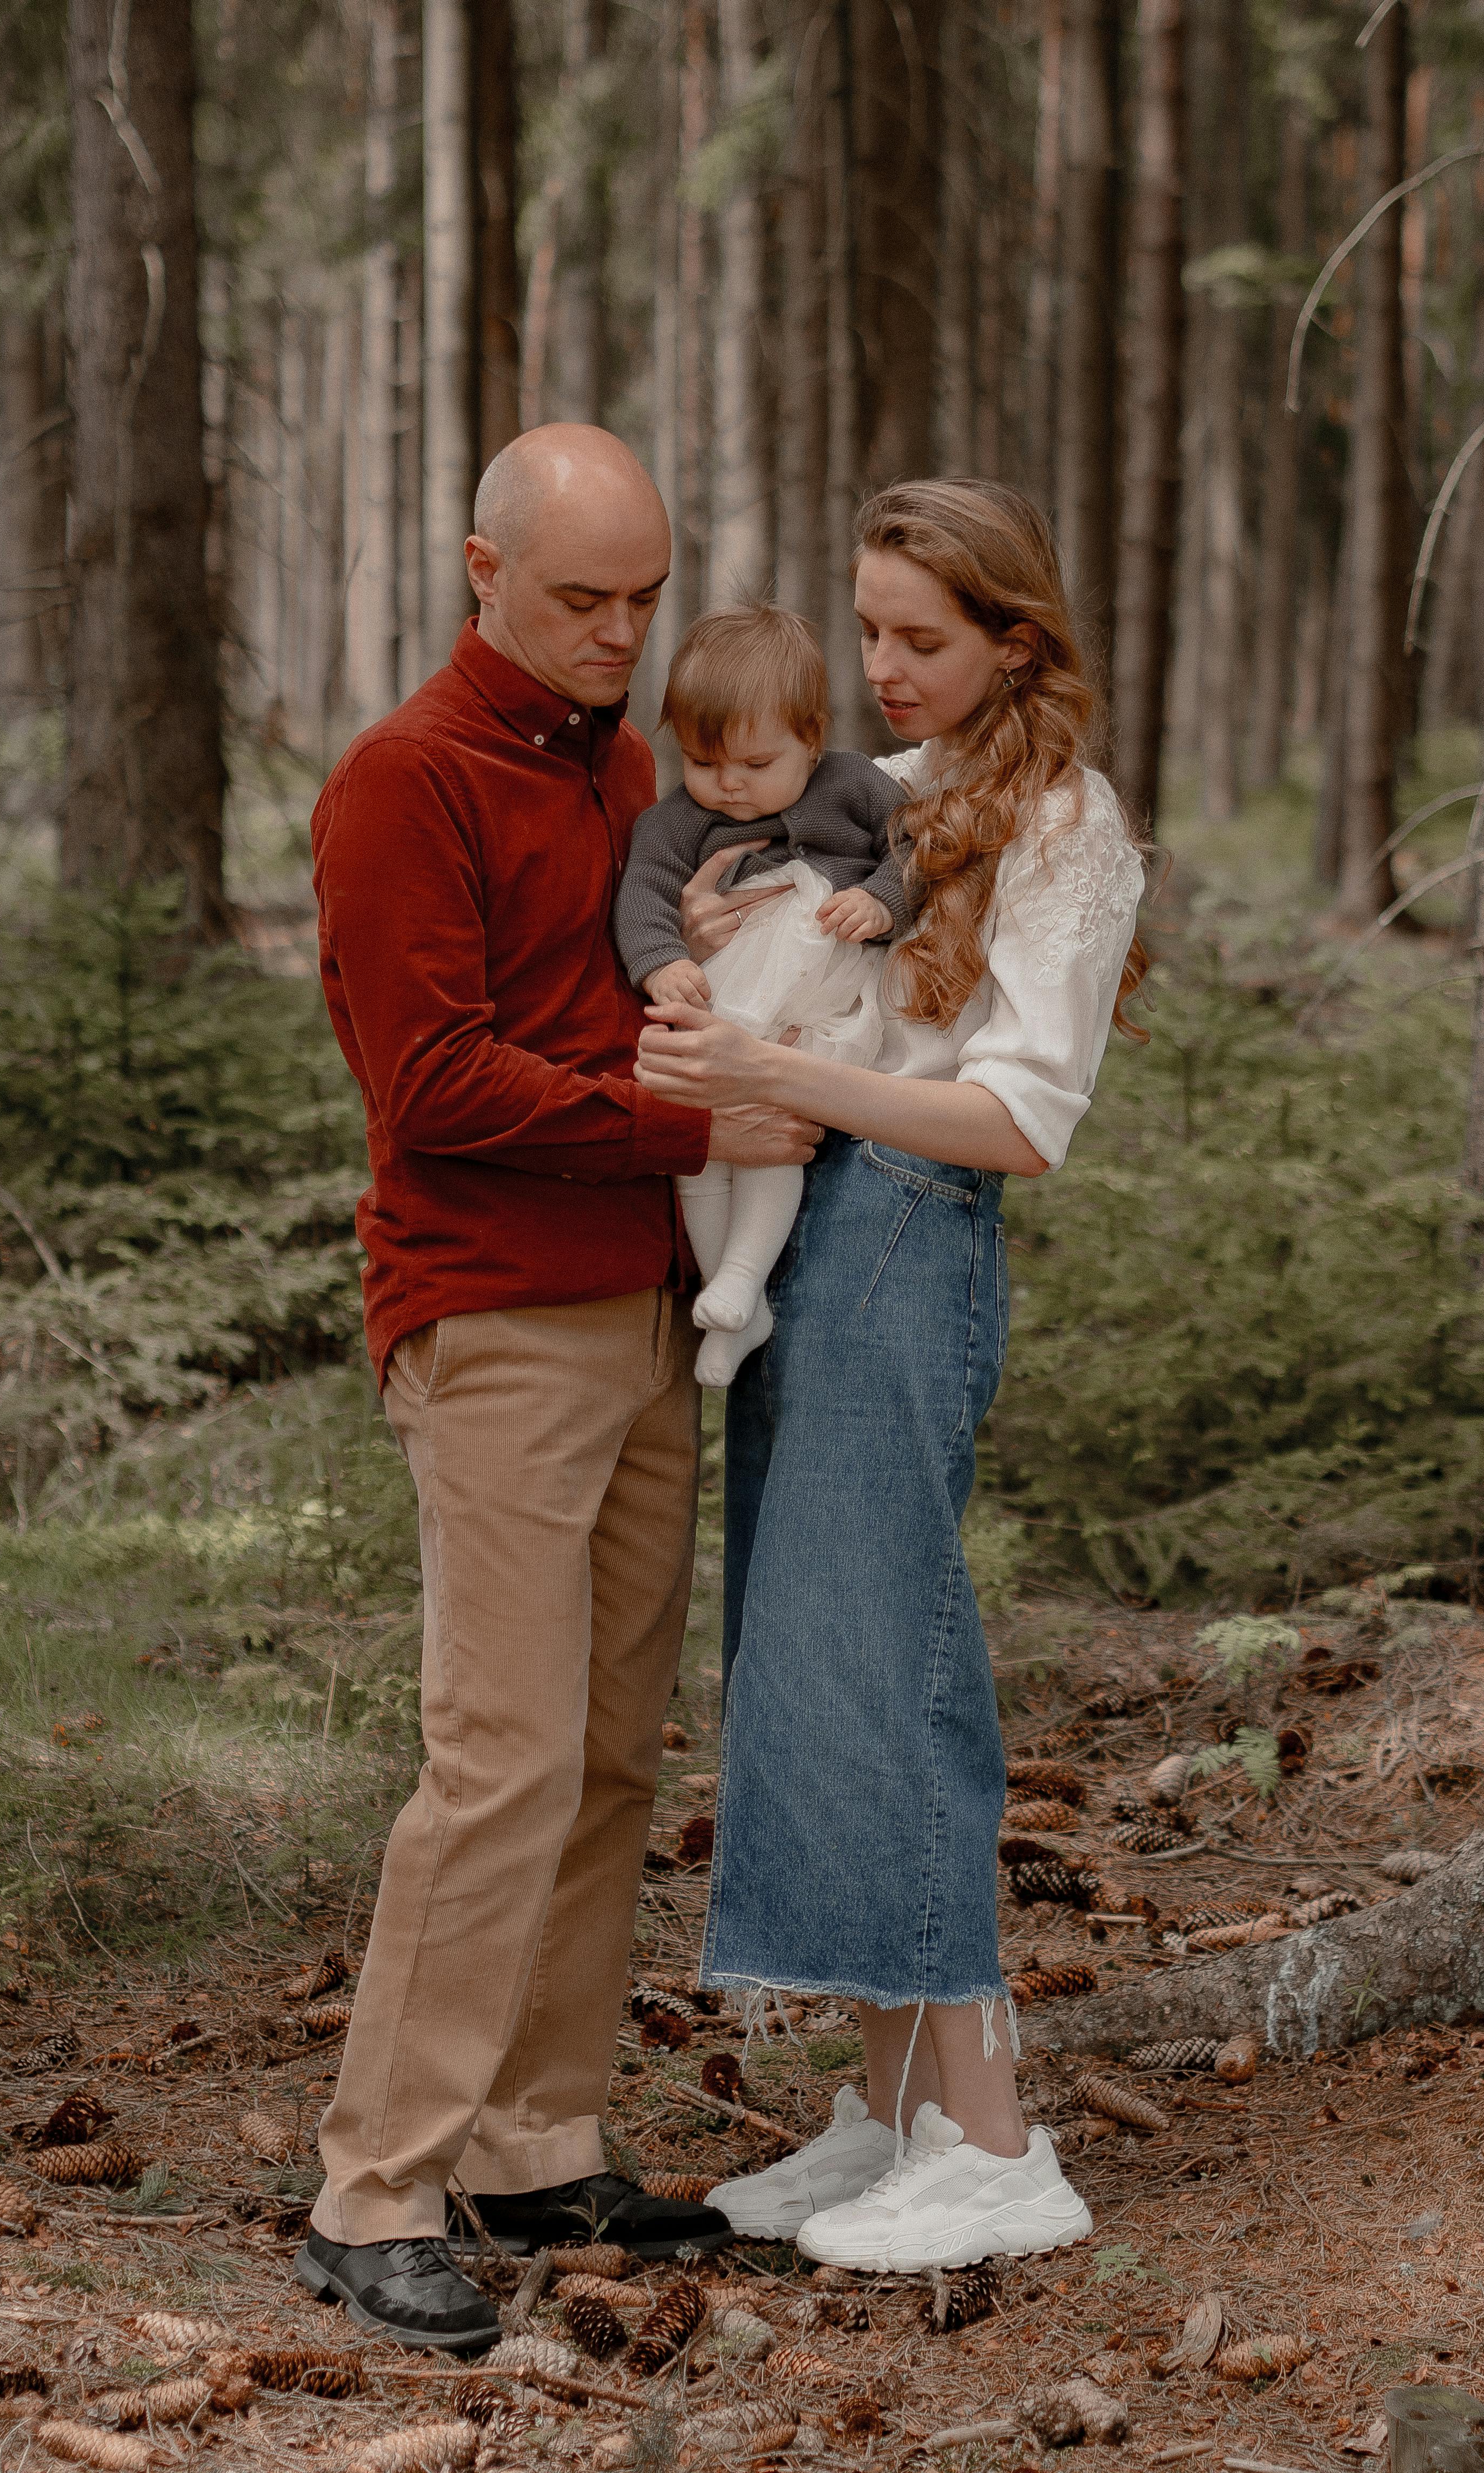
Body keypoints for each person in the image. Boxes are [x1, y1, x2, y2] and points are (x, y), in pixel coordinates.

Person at [297, 423, 820, 2350]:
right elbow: (428, 1081)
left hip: (647, 1305)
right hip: (494, 1314)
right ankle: (374, 2183)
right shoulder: (400, 780)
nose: (618, 633)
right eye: (582, 597)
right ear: (480, 570)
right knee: (500, 1752)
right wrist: (664, 1111)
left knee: (607, 1754)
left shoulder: (623, 769)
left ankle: (534, 2135)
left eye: (642, 597)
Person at [634, 478, 1149, 2274]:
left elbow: (1018, 1115)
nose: (882, 669)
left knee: (889, 1652)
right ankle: (890, 2107)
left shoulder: (1067, 823)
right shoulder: (886, 799)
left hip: (912, 1233)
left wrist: (798, 1096)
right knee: (802, 1651)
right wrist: (713, 942)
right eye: (866, 632)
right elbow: (793, 978)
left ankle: (993, 2138)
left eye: (920, 638)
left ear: (1019, 633)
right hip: (808, 1234)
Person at [615, 603, 910, 1386]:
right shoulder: (680, 821)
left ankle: (746, 1274)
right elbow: (643, 891)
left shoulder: (855, 783)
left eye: (753, 763)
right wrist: (659, 961)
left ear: (811, 737)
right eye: (706, 764)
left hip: (821, 999)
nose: (729, 785)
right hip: (734, 995)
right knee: (703, 1138)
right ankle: (732, 1297)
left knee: (776, 1125)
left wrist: (884, 898)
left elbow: (918, 847)